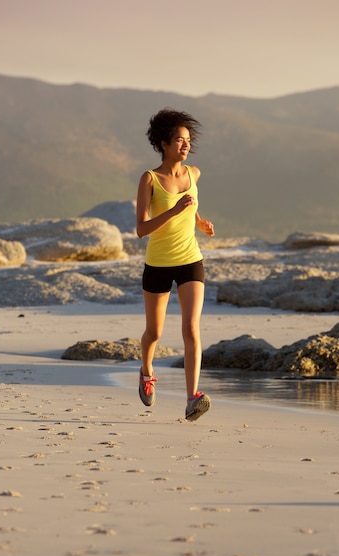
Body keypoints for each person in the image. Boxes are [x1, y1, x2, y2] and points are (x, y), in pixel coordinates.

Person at [136, 108, 215, 421]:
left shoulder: (193, 173)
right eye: (179, 140)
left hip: (190, 260)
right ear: (164, 144)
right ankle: (146, 369)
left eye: (188, 140)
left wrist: (199, 221)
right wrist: (175, 211)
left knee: (191, 328)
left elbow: (190, 205)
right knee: (154, 333)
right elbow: (141, 229)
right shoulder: (150, 179)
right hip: (157, 264)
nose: (185, 145)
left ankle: (192, 397)